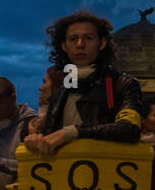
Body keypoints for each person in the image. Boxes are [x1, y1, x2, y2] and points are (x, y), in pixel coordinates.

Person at [27, 10, 143, 152]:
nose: (80, 44)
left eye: (88, 38)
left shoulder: (122, 83)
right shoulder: (60, 92)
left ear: (102, 43)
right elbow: (51, 138)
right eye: (73, 39)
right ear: (64, 46)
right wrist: (35, 138)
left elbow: (129, 129)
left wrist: (72, 132)